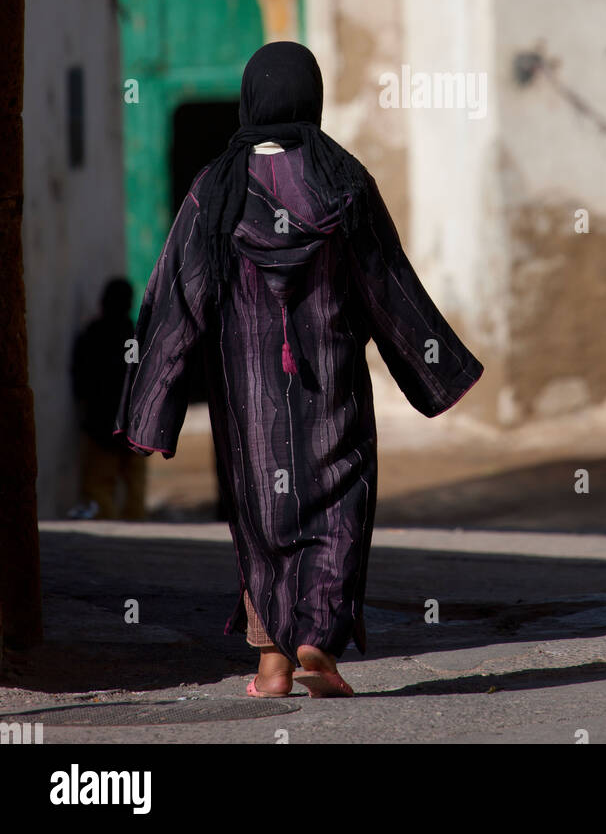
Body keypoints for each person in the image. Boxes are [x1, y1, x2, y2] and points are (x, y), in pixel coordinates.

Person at [114, 42, 484, 698]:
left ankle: (271, 666)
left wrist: (152, 406)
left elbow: (176, 298)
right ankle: (317, 640)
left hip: (247, 396)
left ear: (251, 98)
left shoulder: (216, 190)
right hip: (332, 384)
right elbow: (387, 283)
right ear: (309, 97)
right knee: (339, 504)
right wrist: (437, 367)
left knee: (264, 520)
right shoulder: (343, 181)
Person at [71, 278, 147, 521]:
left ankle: (111, 537)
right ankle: (138, 536)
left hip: (101, 427)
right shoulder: (134, 336)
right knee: (135, 491)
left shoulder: (93, 335)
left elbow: (82, 380)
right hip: (133, 426)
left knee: (98, 489)